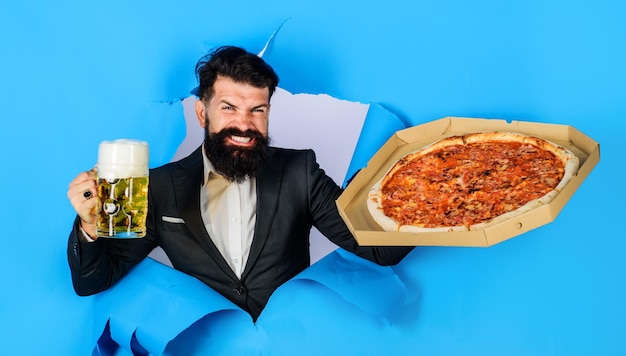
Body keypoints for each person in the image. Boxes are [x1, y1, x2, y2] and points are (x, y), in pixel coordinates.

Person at [66, 45, 413, 321]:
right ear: (203, 113)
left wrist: (414, 191)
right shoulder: (157, 187)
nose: (244, 124)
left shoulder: (300, 171)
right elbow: (94, 280)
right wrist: (90, 227)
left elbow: (379, 250)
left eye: (257, 110)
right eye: (229, 108)